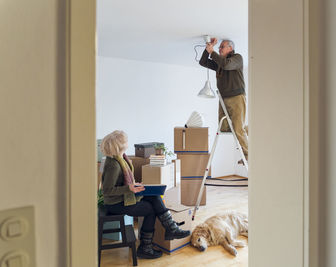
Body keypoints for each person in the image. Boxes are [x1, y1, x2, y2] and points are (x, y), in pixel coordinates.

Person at [100, 130, 190, 259]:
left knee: (154, 195)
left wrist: (134, 186)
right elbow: (107, 191)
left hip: (124, 197)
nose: (127, 142)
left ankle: (171, 229)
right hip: (115, 203)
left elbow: (123, 184)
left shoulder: (121, 158)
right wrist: (129, 188)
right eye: (125, 141)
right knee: (150, 210)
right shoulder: (113, 164)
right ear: (119, 145)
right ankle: (146, 247)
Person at [199, 38, 248, 162]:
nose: (219, 49)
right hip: (223, 99)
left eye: (222, 47)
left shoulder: (237, 58)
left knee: (237, 129)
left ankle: (248, 155)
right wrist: (209, 48)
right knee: (224, 128)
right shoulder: (220, 63)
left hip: (236, 97)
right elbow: (203, 62)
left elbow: (227, 65)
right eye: (219, 47)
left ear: (230, 48)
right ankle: (247, 130)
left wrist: (212, 52)